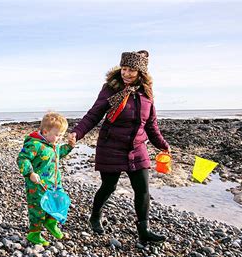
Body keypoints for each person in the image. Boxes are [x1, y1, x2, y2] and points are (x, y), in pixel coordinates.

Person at [68, 50, 170, 244]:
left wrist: (162, 145)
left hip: (137, 147)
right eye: (124, 68)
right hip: (110, 145)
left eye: (131, 70)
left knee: (143, 189)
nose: (126, 73)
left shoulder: (146, 93)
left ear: (140, 72)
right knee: (109, 186)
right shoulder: (111, 88)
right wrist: (77, 133)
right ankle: (95, 215)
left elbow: (151, 124)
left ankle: (144, 230)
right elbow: (94, 114)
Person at [17, 112, 75, 246]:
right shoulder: (35, 145)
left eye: (61, 135)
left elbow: (60, 153)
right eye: (57, 135)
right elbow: (22, 158)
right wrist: (30, 173)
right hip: (37, 185)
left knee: (58, 202)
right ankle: (34, 233)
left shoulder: (53, 145)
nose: (59, 138)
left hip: (54, 183)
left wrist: (70, 146)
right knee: (37, 208)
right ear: (45, 131)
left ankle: (51, 222)